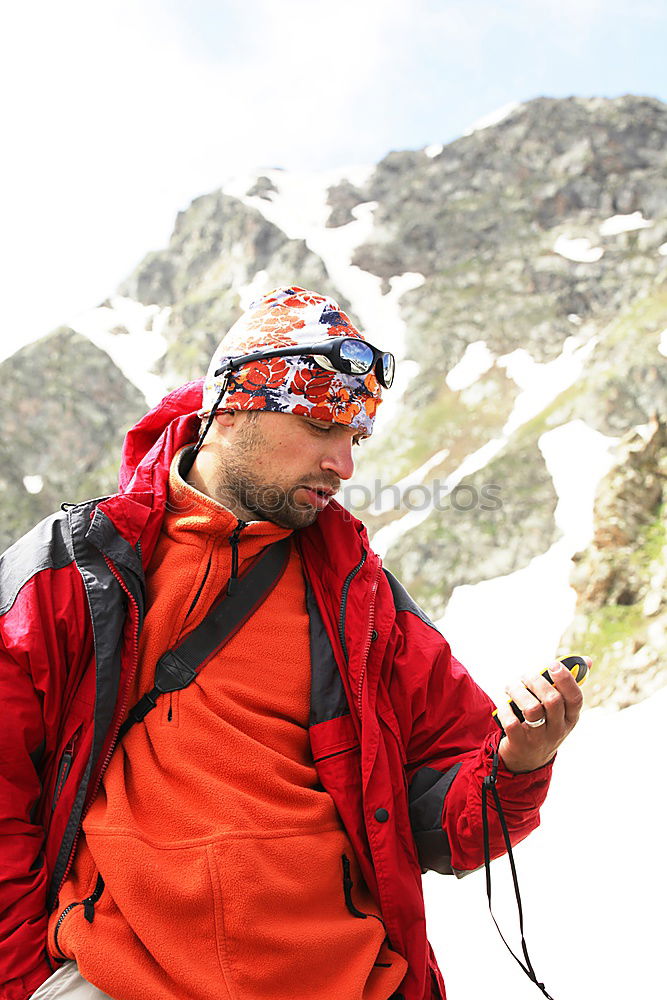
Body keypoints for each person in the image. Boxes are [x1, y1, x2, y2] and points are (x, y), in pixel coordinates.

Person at [0, 287, 586, 1000]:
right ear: (233, 404)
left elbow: (448, 827)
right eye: (318, 425)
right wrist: (26, 978)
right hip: (116, 979)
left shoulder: (362, 599)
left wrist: (518, 762)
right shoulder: (77, 569)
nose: (343, 463)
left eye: (355, 437)